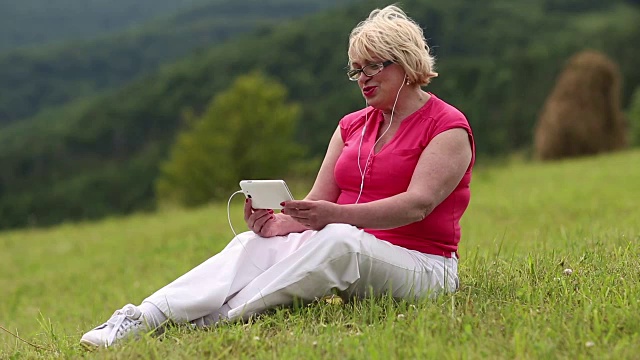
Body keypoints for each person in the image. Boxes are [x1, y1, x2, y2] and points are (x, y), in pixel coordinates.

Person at [80, 5, 475, 348]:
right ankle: (144, 316)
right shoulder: (352, 126)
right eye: (357, 70)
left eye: (374, 66)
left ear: (406, 63)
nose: (363, 78)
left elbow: (417, 205)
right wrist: (277, 224)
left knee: (338, 239)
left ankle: (212, 321)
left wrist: (332, 217)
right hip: (353, 249)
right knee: (249, 243)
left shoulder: (447, 127)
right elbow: (317, 206)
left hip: (426, 267)